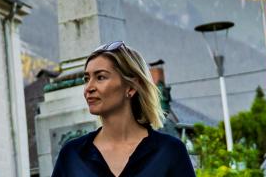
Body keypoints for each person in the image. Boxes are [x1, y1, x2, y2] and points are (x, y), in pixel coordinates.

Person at [52, 41, 197, 177]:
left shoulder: (169, 151)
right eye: (86, 79)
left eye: (100, 77)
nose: (88, 88)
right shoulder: (72, 155)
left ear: (131, 87)